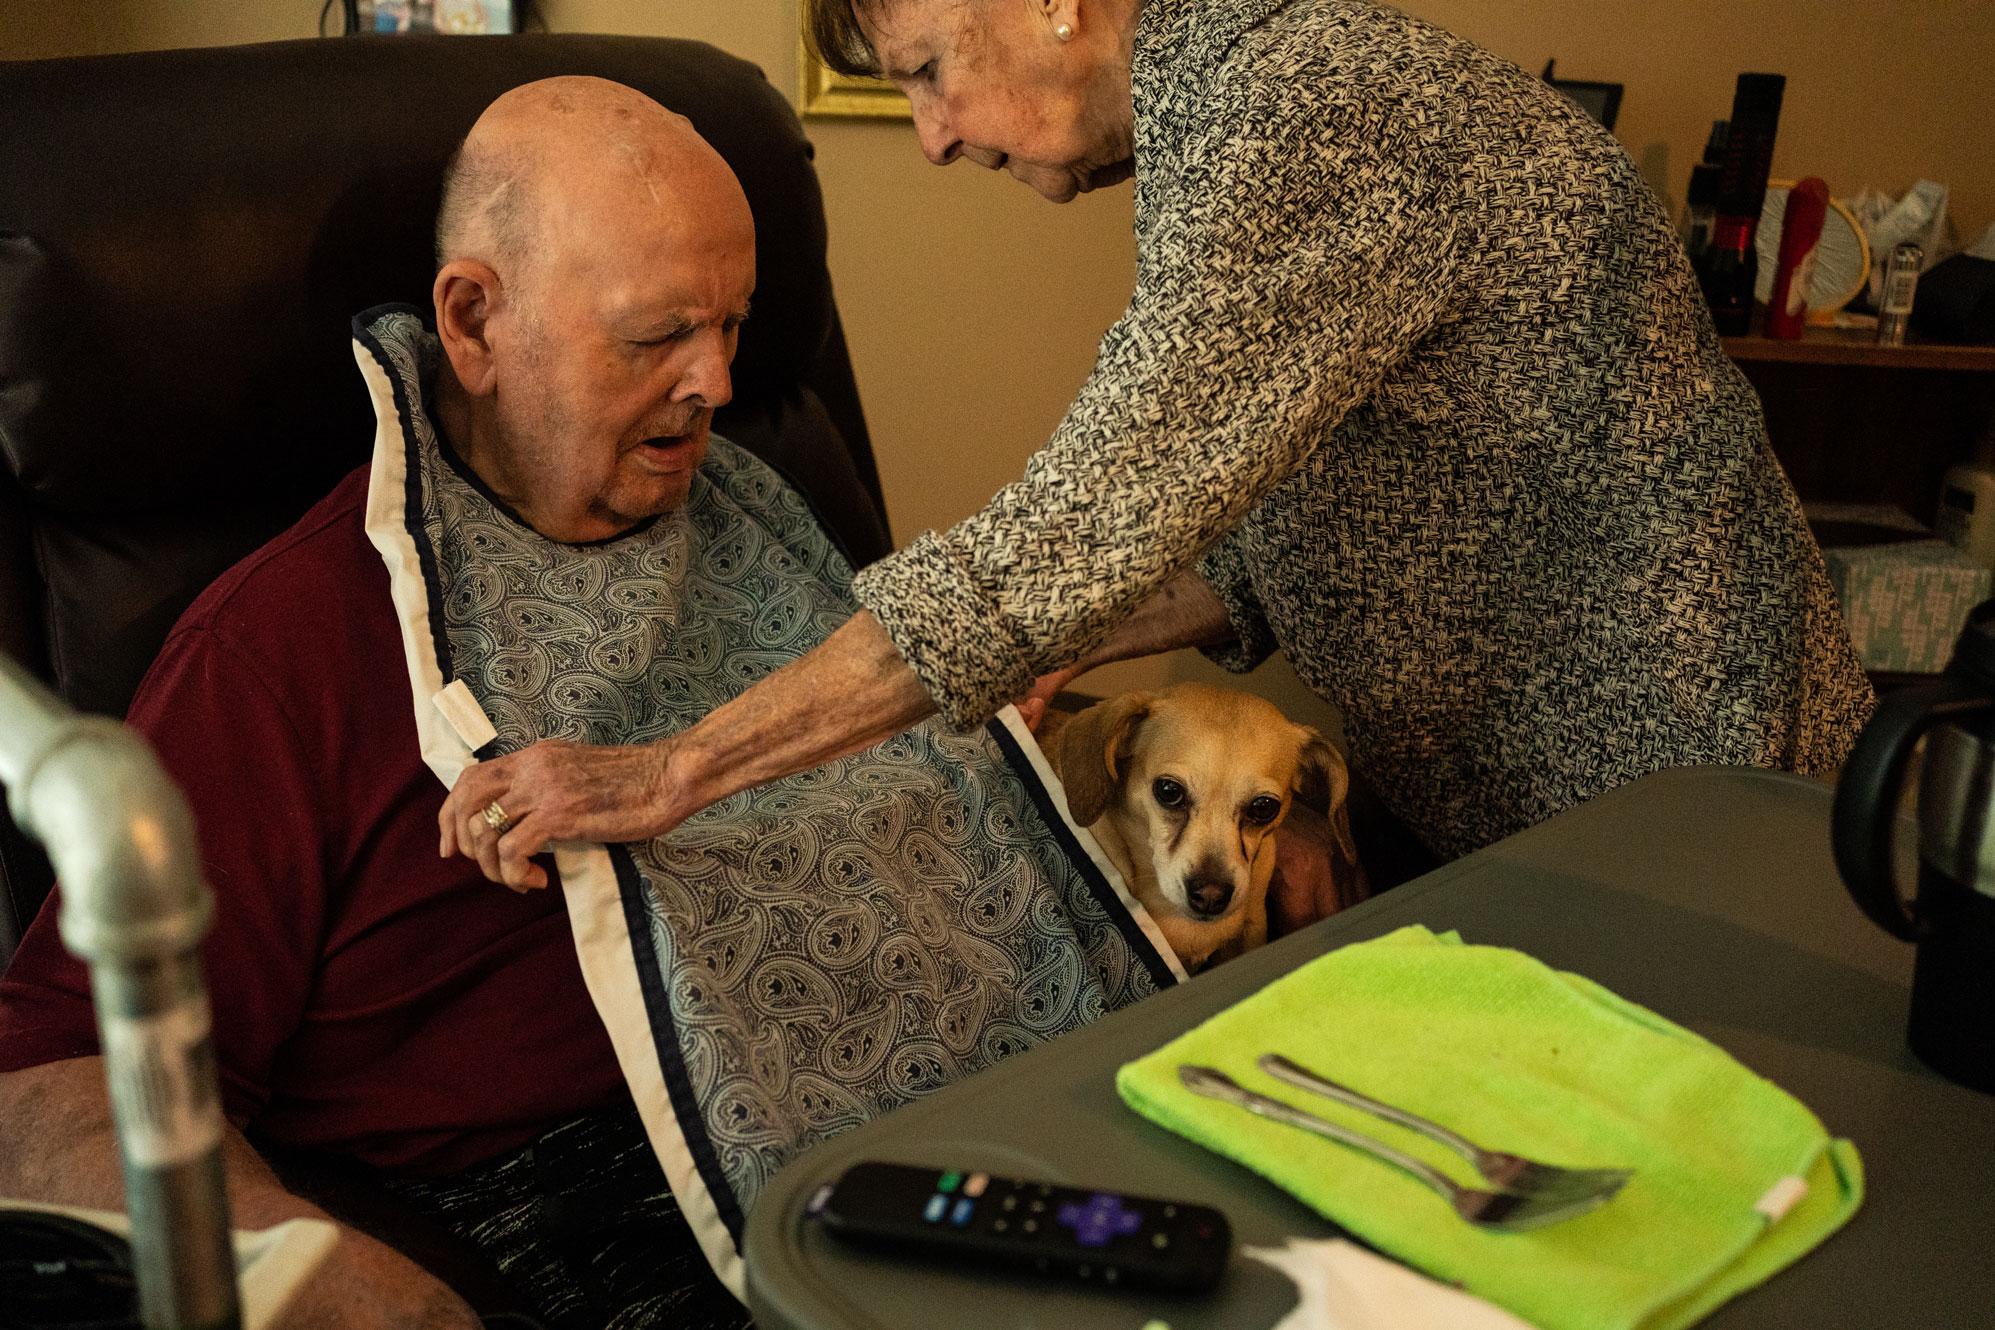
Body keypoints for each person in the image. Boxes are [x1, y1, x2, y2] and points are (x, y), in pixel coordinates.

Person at [0, 76, 1179, 1329]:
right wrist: (361, 1297)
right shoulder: (282, 646)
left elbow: (930, 776)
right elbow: (48, 1084)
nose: (718, 383)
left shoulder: (754, 515)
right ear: (473, 323)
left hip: (957, 1116)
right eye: (657, 334)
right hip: (591, 1205)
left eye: (735, 325)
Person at [438, 0, 1872, 885]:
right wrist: (1067, 644)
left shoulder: (1297, 110)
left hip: (1695, 819)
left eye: (929, 66)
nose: (930, 135)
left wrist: (663, 771)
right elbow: (1280, 531)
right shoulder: (1222, 116)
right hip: (1553, 820)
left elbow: (1047, 546)